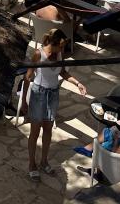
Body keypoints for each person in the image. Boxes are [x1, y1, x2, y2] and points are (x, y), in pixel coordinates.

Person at [21, 28, 86, 181]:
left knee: (48, 129)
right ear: (54, 44)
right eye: (61, 46)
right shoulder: (39, 54)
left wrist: (77, 83)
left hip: (53, 95)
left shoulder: (59, 54)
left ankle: (44, 161)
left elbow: (62, 72)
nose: (62, 49)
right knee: (35, 131)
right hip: (39, 94)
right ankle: (32, 164)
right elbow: (27, 77)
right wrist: (24, 101)